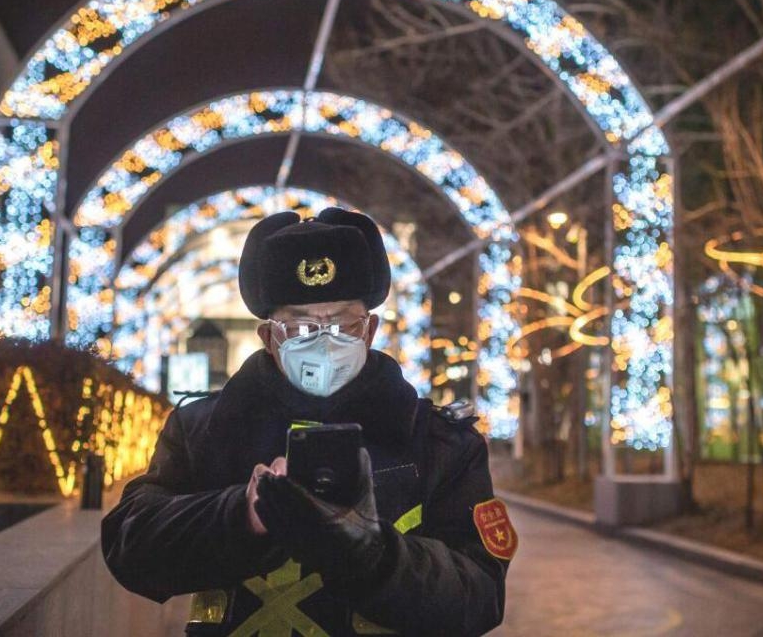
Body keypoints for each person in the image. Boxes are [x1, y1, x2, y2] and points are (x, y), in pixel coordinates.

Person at [101, 208, 516, 636]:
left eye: (342, 324)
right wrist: (242, 514)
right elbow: (130, 547)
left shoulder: (438, 440)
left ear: (369, 330)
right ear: (268, 336)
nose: (324, 341)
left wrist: (372, 553)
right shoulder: (203, 430)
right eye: (300, 327)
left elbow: (479, 596)